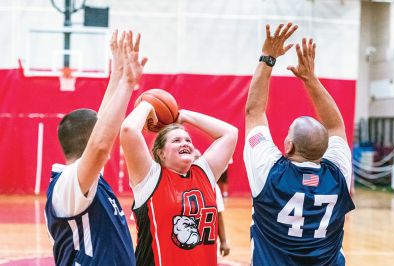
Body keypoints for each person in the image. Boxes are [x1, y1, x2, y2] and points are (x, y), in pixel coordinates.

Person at [244, 22, 355, 266]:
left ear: (289, 146)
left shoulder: (269, 173)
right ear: (325, 149)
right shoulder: (339, 175)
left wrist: (268, 57)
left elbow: (254, 112)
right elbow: (336, 126)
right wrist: (310, 79)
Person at [44, 30, 147, 265]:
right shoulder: (67, 184)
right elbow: (100, 144)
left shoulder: (83, 180)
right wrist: (128, 85)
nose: (108, 132)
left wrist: (118, 73)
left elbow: (101, 126)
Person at [120, 103, 238, 265]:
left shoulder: (204, 173)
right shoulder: (150, 177)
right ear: (161, 153)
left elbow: (230, 133)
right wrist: (148, 104)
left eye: (188, 140)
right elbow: (128, 130)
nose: (185, 143)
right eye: (176, 140)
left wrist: (184, 116)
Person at [194, 149, 230, 257]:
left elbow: (218, 215)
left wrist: (223, 241)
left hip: (206, 242)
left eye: (198, 159)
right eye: (193, 158)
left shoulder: (212, 185)